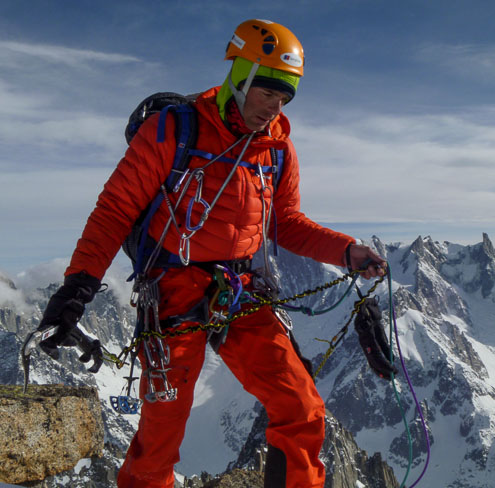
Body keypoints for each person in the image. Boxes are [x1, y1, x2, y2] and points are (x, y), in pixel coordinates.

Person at [34, 19, 386, 488]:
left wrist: (348, 251)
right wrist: (79, 285)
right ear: (239, 76)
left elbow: (288, 224)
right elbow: (116, 209)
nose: (275, 107)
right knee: (160, 434)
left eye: (286, 98)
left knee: (301, 407)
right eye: (267, 92)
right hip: (174, 290)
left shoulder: (277, 150)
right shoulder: (173, 130)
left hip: (241, 289)